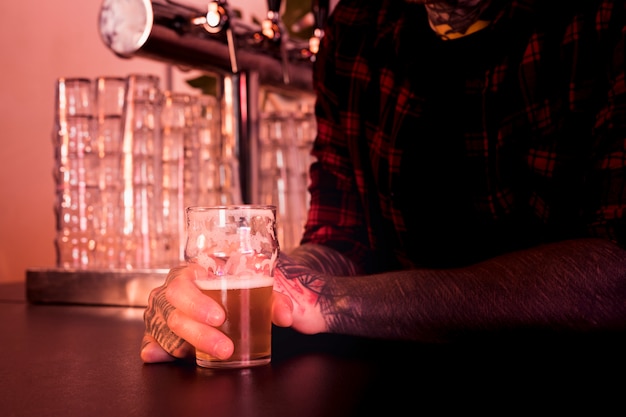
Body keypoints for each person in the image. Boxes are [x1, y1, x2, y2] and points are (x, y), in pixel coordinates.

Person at [141, 0, 626, 363]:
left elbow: (616, 271)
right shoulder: (358, 28)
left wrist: (332, 302)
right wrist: (261, 278)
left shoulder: (603, 20)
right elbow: (344, 240)